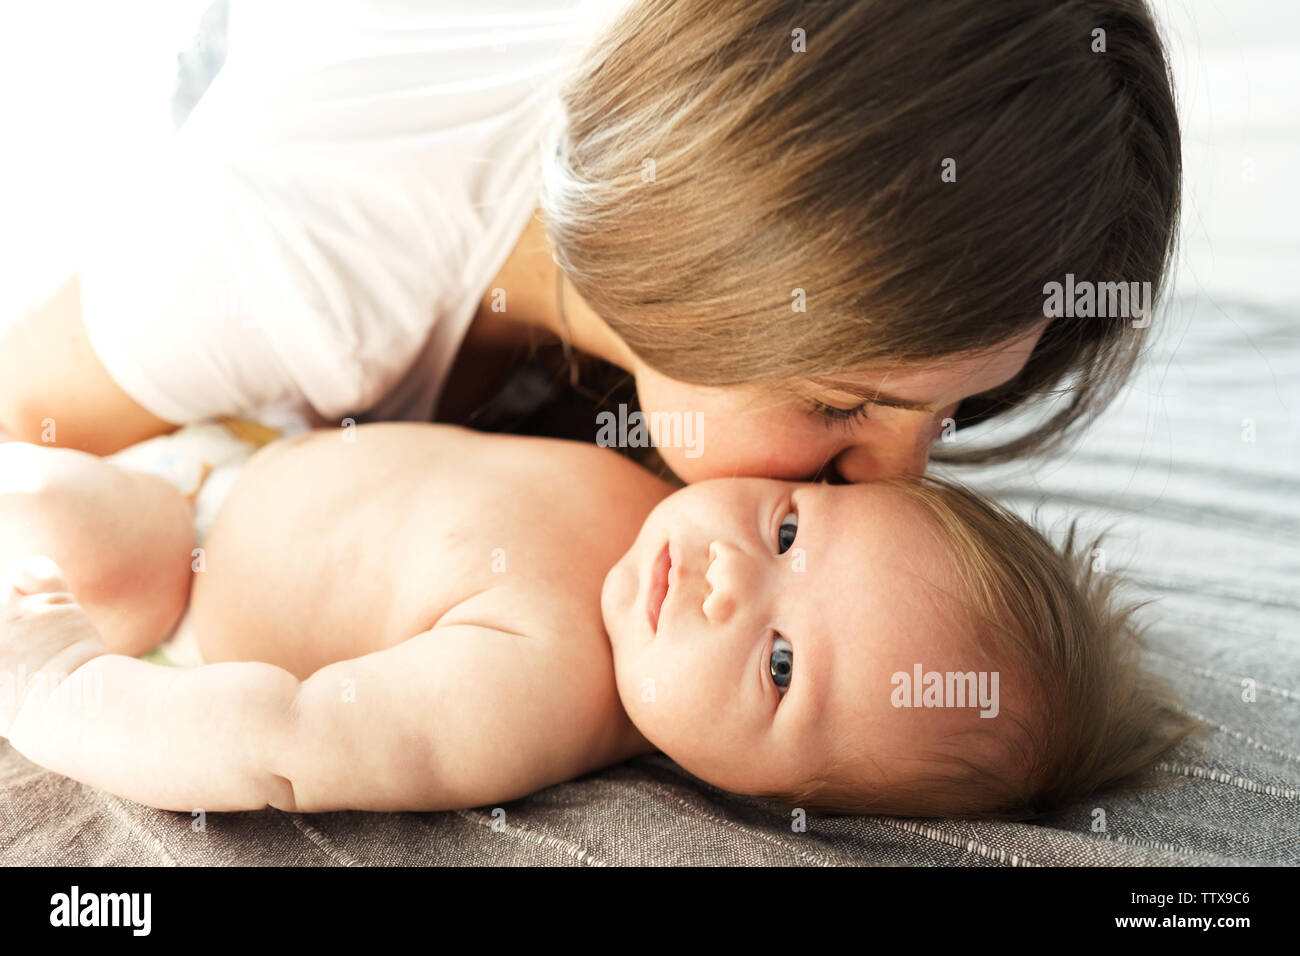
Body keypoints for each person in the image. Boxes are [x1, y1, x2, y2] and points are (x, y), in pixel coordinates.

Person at [0, 0, 1181, 483]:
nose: (900, 482)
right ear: (712, 254)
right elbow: (20, 430)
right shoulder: (280, 259)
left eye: (952, 412)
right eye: (843, 405)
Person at [0, 423, 1199, 817]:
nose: (729, 576)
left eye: (780, 667)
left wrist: (62, 688)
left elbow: (287, 739)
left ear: (768, 797)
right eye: (789, 531)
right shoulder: (675, 487)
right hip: (228, 458)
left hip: (181, 589)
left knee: (45, 493)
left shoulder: (545, 687)